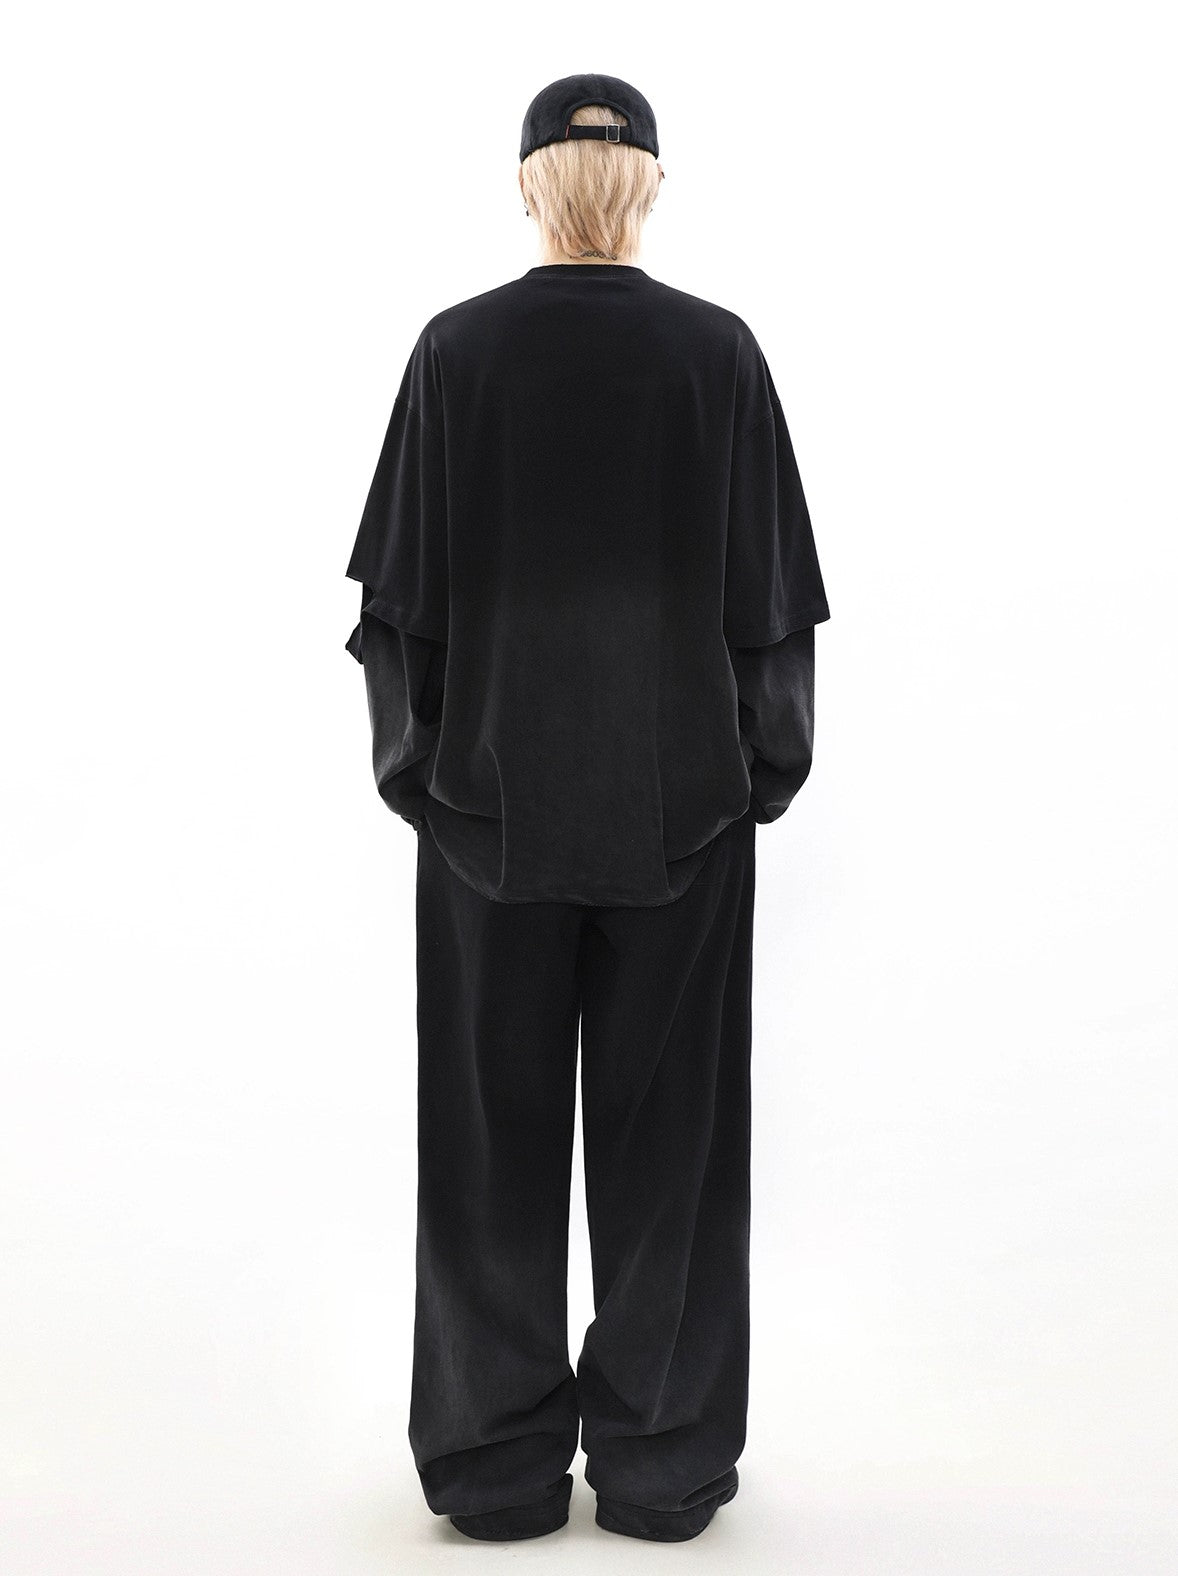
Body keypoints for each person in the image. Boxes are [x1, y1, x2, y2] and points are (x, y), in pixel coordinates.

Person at [343, 73, 831, 1544]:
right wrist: (753, 780)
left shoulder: (457, 352)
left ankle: (494, 1472)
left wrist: (429, 784)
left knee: (483, 1156)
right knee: (674, 1160)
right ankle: (661, 1470)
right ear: (651, 186)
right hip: (682, 818)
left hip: (487, 820)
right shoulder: (715, 354)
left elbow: (397, 614)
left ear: (526, 185)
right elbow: (773, 610)